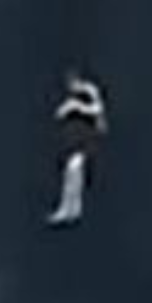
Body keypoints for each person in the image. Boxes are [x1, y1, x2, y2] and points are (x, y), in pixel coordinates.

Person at [46, 71, 107, 226]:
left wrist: (78, 107)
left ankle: (70, 207)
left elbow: (97, 110)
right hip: (75, 138)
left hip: (87, 138)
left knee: (74, 169)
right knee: (71, 172)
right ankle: (71, 207)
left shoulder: (89, 92)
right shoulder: (72, 97)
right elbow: (59, 114)